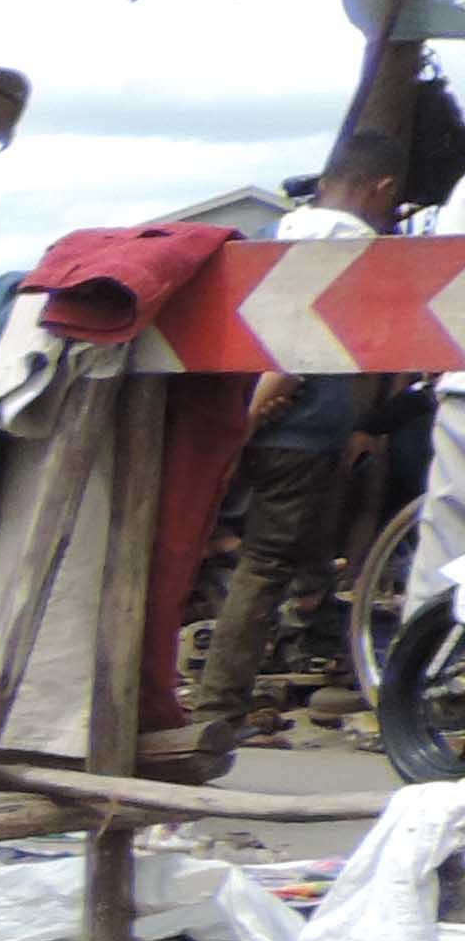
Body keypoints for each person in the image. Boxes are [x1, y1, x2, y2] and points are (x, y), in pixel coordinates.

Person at [198, 132, 411, 734]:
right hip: (299, 429)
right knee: (265, 565)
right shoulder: (354, 246)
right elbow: (292, 357)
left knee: (291, 556)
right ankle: (219, 710)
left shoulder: (280, 235)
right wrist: (261, 411)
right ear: (383, 189)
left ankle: (273, 670)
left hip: (276, 426)